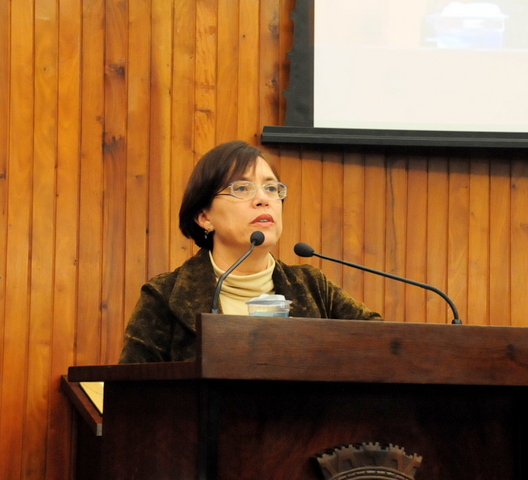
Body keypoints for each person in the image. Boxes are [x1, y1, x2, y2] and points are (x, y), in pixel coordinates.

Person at [119, 140, 381, 363]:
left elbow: (383, 348)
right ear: (204, 217)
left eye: (272, 188)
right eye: (242, 188)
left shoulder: (314, 287)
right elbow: (132, 394)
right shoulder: (165, 296)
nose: (263, 199)